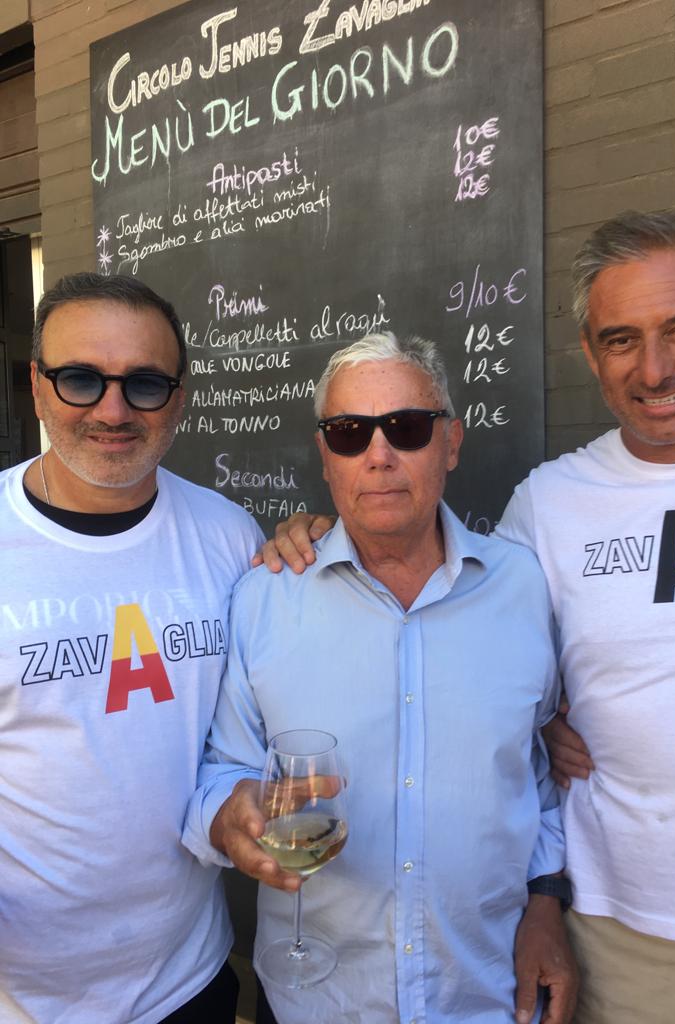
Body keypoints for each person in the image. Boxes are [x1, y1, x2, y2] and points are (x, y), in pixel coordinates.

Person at [256, 201, 675, 1023]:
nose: (655, 368)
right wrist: (317, 534)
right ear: (590, 353)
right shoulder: (545, 509)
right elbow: (522, 699)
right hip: (626, 930)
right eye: (621, 339)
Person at [182, 333, 578, 1024]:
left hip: (484, 995)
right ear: (325, 455)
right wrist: (231, 813)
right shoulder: (262, 600)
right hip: (315, 1002)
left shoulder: (524, 587)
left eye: (407, 427)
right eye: (349, 432)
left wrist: (547, 900)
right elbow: (223, 770)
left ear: (451, 443)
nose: (379, 454)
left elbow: (537, 770)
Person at [0, 273, 263, 1024]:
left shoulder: (229, 537)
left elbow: (250, 722)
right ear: (37, 385)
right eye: (81, 379)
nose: (112, 411)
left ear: (179, 398)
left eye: (144, 384)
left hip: (192, 980)